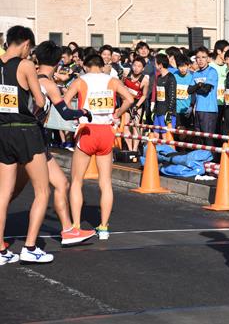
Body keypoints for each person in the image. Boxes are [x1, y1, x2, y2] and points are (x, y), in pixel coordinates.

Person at [11, 41, 96, 245]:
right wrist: (84, 112)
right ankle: (46, 239)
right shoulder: (48, 84)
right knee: (44, 189)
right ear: (58, 62)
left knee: (15, 189)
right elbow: (65, 113)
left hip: (20, 136)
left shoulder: (28, 78)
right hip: (34, 139)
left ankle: (68, 230)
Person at [64, 54, 133, 240]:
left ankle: (76, 225)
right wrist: (117, 112)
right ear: (102, 66)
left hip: (87, 130)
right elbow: (130, 99)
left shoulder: (80, 80)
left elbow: (64, 102)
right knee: (106, 182)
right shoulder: (112, 80)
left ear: (85, 67)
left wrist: (75, 115)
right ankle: (103, 227)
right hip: (106, 131)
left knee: (77, 181)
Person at [0, 26, 53, 264]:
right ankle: (30, 247)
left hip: (2, 130)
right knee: (42, 190)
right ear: (26, 44)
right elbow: (40, 101)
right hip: (26, 130)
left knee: (3, 193)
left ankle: (1, 251)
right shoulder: (26, 65)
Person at [189, 47, 218, 145]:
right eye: (198, 57)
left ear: (208, 59)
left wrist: (196, 87)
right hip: (198, 109)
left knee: (208, 139)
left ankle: (211, 159)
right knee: (199, 139)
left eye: (203, 57)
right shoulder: (195, 73)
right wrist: (199, 85)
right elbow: (189, 90)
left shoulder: (212, 72)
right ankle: (201, 159)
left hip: (209, 110)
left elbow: (206, 90)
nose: (200, 60)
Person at [122, 57, 149, 152]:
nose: (136, 68)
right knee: (125, 126)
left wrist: (137, 106)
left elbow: (144, 95)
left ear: (143, 68)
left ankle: (134, 149)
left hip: (137, 104)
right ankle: (129, 149)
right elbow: (121, 86)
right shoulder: (126, 74)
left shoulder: (144, 80)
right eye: (134, 65)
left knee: (135, 126)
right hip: (126, 103)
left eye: (139, 66)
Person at [210, 40, 229, 133]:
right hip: (214, 104)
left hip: (226, 103)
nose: (228, 54)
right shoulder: (210, 67)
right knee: (214, 129)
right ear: (219, 51)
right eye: (226, 52)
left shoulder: (228, 67)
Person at [153, 54, 177, 132]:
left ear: (160, 65)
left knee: (165, 136)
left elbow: (172, 96)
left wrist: (169, 112)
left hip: (167, 112)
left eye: (155, 63)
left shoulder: (171, 77)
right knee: (155, 134)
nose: (154, 65)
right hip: (158, 112)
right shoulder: (159, 77)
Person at [174, 54, 195, 132]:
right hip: (177, 110)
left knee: (189, 133)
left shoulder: (193, 76)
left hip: (188, 109)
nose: (182, 69)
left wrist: (191, 106)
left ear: (188, 65)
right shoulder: (174, 76)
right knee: (179, 132)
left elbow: (194, 93)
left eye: (184, 66)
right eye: (180, 66)